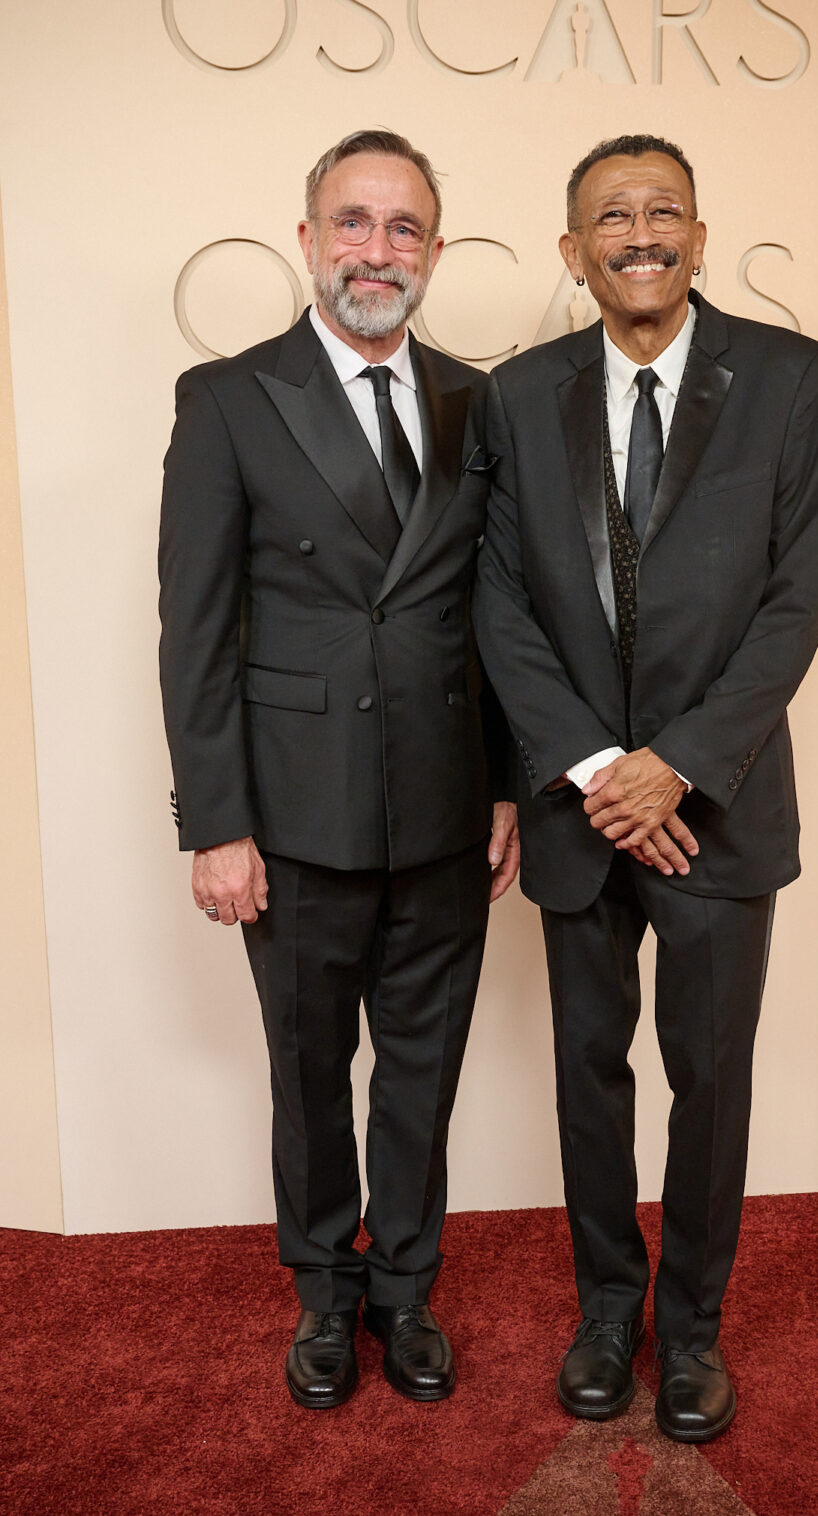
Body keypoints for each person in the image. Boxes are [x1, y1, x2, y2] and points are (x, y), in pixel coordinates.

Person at [473, 134, 818, 1442]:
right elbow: (497, 601)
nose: (641, 232)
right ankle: (602, 1316)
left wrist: (678, 764)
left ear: (699, 233)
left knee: (711, 1076)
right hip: (584, 814)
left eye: (665, 210)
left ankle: (689, 1336)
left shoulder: (796, 382)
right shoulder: (514, 398)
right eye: (610, 217)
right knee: (589, 1073)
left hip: (721, 806)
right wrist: (594, 770)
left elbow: (799, 596)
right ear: (571, 251)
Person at [158, 128, 518, 1412]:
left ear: (434, 247)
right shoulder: (230, 398)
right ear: (308, 241)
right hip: (293, 817)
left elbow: (504, 616)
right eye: (353, 223)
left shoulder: (485, 401)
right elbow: (195, 628)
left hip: (440, 807)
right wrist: (216, 823)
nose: (379, 249)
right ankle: (323, 1294)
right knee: (309, 1075)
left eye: (404, 226)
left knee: (422, 1070)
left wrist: (502, 787)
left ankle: (406, 1291)